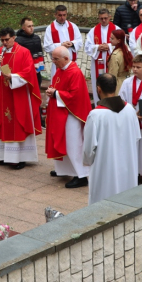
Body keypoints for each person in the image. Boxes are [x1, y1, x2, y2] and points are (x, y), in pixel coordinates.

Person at [0, 27, 42, 170]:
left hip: (18, 95)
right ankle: (3, 156)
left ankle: (20, 158)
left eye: (7, 40)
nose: (4, 43)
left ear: (14, 38)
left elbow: (29, 72)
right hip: (2, 95)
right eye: (2, 40)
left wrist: (13, 77)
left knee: (18, 122)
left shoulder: (23, 52)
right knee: (4, 123)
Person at [84, 73, 141, 205]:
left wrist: (88, 162)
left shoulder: (95, 115)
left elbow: (88, 149)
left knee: (102, 205)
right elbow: (136, 137)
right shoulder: (130, 110)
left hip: (105, 169)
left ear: (98, 89)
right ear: (115, 87)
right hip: (127, 168)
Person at [45, 46, 92, 188]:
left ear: (66, 58)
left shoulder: (75, 72)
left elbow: (75, 96)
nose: (53, 61)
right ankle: (63, 169)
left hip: (72, 114)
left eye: (55, 59)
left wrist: (56, 93)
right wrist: (51, 91)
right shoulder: (60, 70)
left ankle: (81, 175)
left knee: (73, 144)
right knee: (62, 141)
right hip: (60, 112)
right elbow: (56, 86)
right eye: (52, 58)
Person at [119, 55, 142, 179]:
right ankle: (133, 173)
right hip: (131, 120)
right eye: (133, 67)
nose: (134, 69)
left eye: (138, 67)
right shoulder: (127, 82)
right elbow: (121, 101)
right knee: (132, 148)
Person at [84, 8, 121, 105]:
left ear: (110, 17)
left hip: (112, 62)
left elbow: (122, 44)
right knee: (99, 84)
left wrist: (108, 46)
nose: (104, 20)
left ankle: (112, 105)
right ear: (98, 18)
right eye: (101, 19)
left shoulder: (117, 29)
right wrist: (98, 47)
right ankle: (99, 104)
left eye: (105, 18)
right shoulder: (93, 31)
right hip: (98, 63)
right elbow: (87, 47)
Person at [43, 5, 83, 79]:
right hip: (57, 66)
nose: (62, 17)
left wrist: (72, 44)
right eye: (60, 15)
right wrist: (61, 45)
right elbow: (47, 47)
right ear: (55, 15)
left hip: (72, 64)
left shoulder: (73, 26)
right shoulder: (50, 29)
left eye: (64, 15)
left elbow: (80, 41)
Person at [16, 17, 45, 88]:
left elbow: (40, 52)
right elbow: (19, 58)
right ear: (23, 27)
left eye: (32, 26)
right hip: (27, 72)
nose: (31, 28)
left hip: (37, 71)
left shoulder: (37, 38)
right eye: (29, 26)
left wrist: (42, 64)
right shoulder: (18, 40)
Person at [107, 29, 133, 95]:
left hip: (117, 85)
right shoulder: (126, 51)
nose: (110, 40)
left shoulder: (115, 55)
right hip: (126, 82)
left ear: (119, 40)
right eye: (110, 38)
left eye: (112, 38)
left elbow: (113, 75)